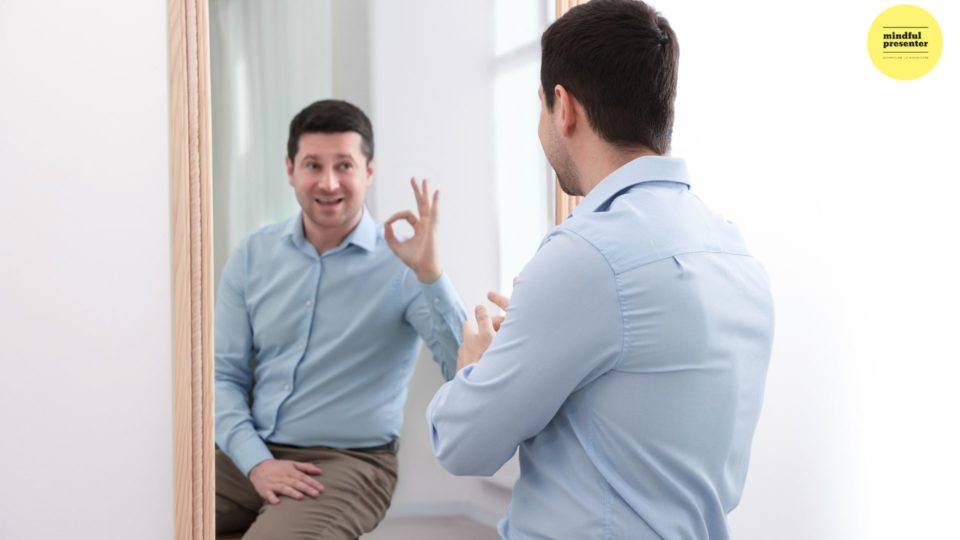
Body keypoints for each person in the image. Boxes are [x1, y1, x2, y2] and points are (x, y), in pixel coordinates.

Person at [426, 1, 775, 538]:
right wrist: (537, 329)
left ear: (562, 107)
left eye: (539, 106)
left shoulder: (585, 256)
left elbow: (462, 443)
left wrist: (476, 364)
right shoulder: (734, 251)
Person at [215, 99, 466, 539]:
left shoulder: (402, 264)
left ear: (368, 172)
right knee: (141, 511)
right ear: (290, 169)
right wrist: (255, 461)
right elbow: (224, 377)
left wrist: (431, 275)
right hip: (246, 454)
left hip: (348, 464)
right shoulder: (253, 255)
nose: (328, 182)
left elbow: (463, 369)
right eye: (313, 165)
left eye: (344, 165)